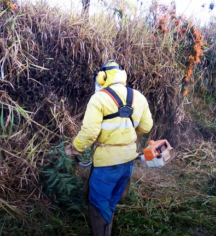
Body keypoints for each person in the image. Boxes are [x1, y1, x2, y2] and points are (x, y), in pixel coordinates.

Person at [65, 60, 153, 236]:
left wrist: (73, 150)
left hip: (107, 165)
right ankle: (108, 229)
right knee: (111, 201)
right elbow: (146, 127)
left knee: (98, 204)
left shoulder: (99, 98)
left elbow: (89, 133)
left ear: (102, 76)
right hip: (127, 163)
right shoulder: (139, 97)